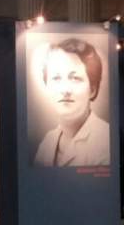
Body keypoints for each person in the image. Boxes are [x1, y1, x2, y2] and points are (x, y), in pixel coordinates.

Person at [33, 38, 110, 167]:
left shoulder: (105, 139)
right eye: (56, 78)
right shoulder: (48, 141)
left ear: (92, 89)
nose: (65, 90)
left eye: (75, 78)